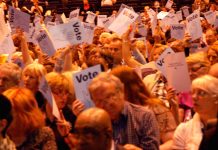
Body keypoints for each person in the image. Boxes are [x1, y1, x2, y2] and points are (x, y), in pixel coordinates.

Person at [88, 72, 160, 149]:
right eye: (98, 101)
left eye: (108, 97)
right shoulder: (94, 124)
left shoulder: (144, 116)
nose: (104, 105)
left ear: (122, 92)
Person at [172, 75, 218, 149]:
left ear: (216, 98)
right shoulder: (183, 130)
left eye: (202, 93)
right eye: (192, 92)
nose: (194, 97)